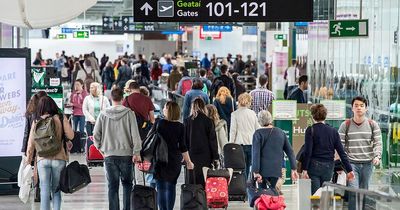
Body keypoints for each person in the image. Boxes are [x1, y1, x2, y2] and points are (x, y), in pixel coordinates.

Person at [93, 88, 142, 210]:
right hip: (126, 155)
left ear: (111, 98)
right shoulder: (129, 113)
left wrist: (101, 149)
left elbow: (95, 135)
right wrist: (136, 152)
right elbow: (135, 135)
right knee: (127, 185)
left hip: (109, 155)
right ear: (123, 99)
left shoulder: (103, 114)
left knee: (112, 187)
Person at [26, 96, 74, 210]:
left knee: (44, 189)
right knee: (56, 189)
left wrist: (28, 161)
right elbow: (71, 135)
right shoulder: (61, 118)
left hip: (42, 159)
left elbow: (31, 144)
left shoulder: (36, 121)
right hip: (59, 158)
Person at [338, 96, 382, 210]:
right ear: (352, 108)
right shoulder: (345, 125)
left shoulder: (373, 125)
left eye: (362, 106)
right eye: (356, 106)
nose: (359, 108)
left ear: (366, 109)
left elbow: (378, 143)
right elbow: (339, 146)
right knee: (353, 191)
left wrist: (377, 156)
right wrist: (342, 163)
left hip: (368, 164)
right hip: (351, 164)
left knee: (363, 192)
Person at [302, 104, 354, 195]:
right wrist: (349, 170)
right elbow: (341, 152)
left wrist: (305, 169)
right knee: (326, 194)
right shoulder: (333, 131)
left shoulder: (310, 130)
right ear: (325, 116)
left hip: (314, 166)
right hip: (329, 166)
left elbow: (308, 152)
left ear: (313, 116)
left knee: (315, 194)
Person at [155, 101, 194, 210]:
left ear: (168, 110)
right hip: (174, 160)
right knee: (171, 187)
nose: (163, 109)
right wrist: (189, 161)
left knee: (161, 187)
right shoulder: (180, 126)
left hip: (159, 159)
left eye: (164, 108)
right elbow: (183, 146)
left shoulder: (159, 123)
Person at [252, 110, 298, 190]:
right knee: (274, 194)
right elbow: (290, 151)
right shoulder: (280, 132)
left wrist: (256, 171)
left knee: (263, 195)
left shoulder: (258, 133)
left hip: (262, 171)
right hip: (277, 169)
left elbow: (256, 154)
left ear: (259, 121)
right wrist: (294, 168)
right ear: (271, 119)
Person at [184, 98, 219, 187]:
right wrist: (215, 157)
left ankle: (192, 198)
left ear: (192, 107)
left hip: (191, 155)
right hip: (205, 156)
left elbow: (184, 140)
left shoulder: (187, 121)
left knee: (192, 180)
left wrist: (184, 156)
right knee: (204, 179)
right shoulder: (208, 121)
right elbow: (212, 141)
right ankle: (202, 198)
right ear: (204, 107)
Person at [230, 93, 260, 179]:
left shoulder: (235, 114)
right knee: (250, 166)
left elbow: (233, 131)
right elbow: (257, 129)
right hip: (251, 144)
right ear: (249, 102)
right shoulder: (252, 113)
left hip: (240, 144)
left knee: (242, 167)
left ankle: (243, 185)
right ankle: (248, 184)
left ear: (239, 102)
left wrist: (231, 144)